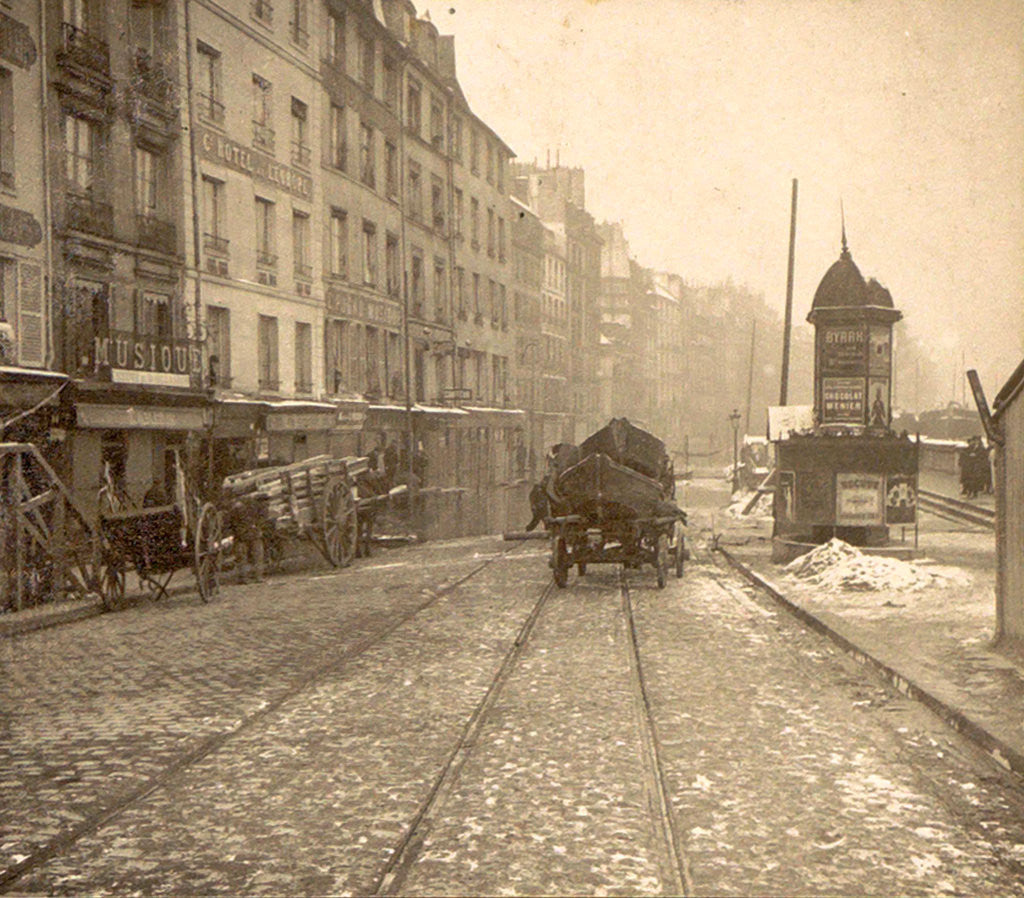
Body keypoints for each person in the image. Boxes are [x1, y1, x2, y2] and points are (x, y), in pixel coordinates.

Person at [227, 493, 266, 583]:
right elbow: (260, 520)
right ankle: (257, 577)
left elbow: (231, 523)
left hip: (242, 535)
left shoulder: (236, 508)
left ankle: (244, 578)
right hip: (251, 534)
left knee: (242, 557)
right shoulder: (255, 508)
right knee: (257, 556)